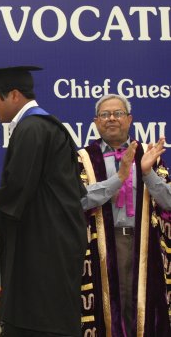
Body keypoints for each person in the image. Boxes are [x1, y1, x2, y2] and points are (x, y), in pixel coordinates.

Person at [0, 66, 87, 337]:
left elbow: (19, 187)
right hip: (48, 242)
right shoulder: (42, 126)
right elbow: (24, 192)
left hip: (45, 249)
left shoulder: (32, 128)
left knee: (39, 322)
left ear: (13, 95)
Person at [78, 93, 171, 336]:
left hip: (142, 245)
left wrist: (148, 172)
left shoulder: (149, 155)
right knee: (106, 311)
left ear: (129, 119)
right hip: (100, 246)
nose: (111, 119)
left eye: (118, 114)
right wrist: (118, 178)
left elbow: (168, 202)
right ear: (96, 122)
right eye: (105, 115)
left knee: (139, 311)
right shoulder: (83, 158)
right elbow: (78, 201)